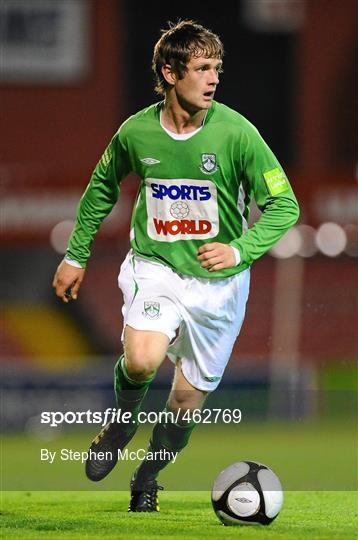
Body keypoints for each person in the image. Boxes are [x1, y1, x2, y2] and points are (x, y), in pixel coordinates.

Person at [52, 20, 299, 512]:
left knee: (184, 405)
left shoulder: (237, 133)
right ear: (170, 72)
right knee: (142, 359)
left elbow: (284, 205)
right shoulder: (137, 132)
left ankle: (147, 475)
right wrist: (76, 254)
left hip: (220, 287)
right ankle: (120, 424)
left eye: (217, 69)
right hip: (156, 268)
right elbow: (102, 187)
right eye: (202, 68)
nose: (213, 79)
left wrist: (239, 249)